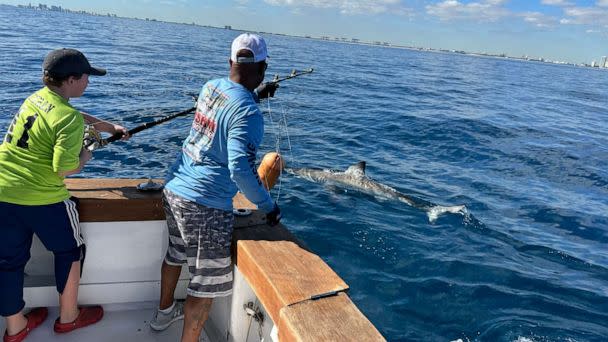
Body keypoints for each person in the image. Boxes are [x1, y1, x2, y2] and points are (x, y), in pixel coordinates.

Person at [151, 33, 281, 341]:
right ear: (262, 68)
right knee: (204, 285)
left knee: (175, 253)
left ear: (230, 62)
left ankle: (163, 314)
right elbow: (240, 170)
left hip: (175, 188)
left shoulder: (211, 86)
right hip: (204, 205)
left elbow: (226, 105)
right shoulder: (249, 113)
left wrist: (255, 95)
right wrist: (268, 205)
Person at [0, 48, 129, 342]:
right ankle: (69, 318)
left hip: (3, 191)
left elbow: (71, 115)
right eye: (86, 77)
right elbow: (64, 169)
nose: (88, 82)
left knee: (8, 262)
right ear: (71, 80)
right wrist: (86, 155)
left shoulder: (36, 97)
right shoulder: (68, 119)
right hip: (43, 198)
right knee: (71, 250)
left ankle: (15, 327)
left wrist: (109, 127)